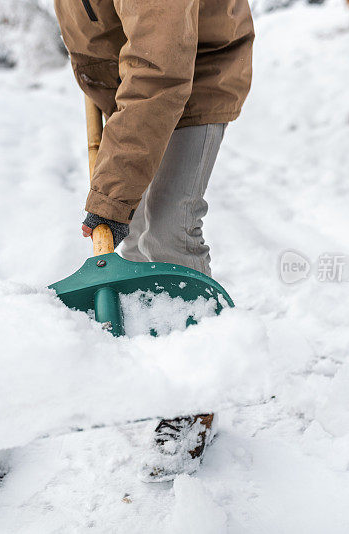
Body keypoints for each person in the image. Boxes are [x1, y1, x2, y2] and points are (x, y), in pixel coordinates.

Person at [54, 0, 254, 481]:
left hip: (189, 76)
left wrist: (111, 196)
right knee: (140, 244)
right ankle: (162, 369)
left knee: (167, 232)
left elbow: (160, 66)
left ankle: (195, 397)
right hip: (135, 90)